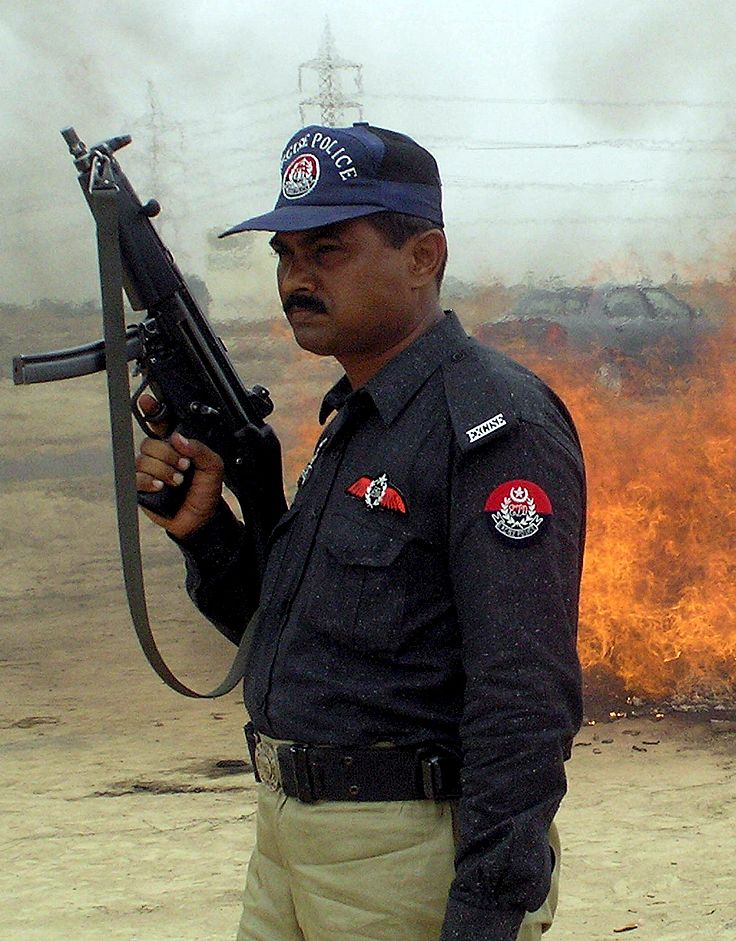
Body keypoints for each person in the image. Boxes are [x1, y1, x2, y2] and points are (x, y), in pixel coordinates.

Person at [134, 122, 584, 941]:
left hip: (403, 858)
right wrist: (208, 536)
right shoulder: (358, 421)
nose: (297, 278)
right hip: (286, 842)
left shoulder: (489, 423)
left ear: (423, 257)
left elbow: (524, 693)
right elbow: (299, 640)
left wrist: (487, 906)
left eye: (328, 251)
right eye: (286, 255)